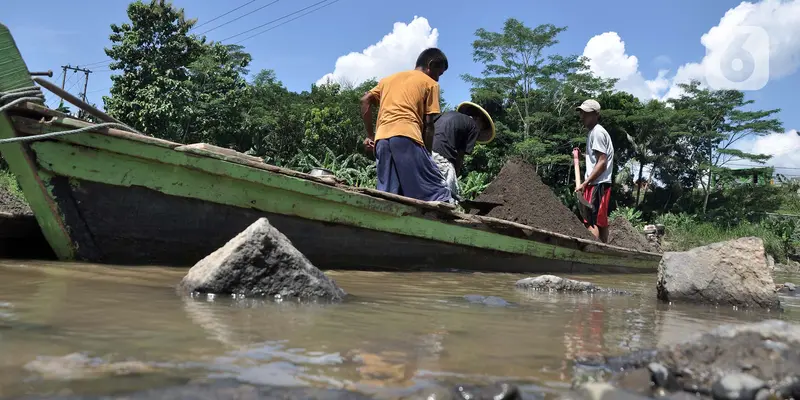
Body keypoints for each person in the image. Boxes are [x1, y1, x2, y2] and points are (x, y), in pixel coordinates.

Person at [360, 48, 452, 203]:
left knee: (389, 195)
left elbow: (365, 100)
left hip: (381, 141)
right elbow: (429, 124)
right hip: (407, 137)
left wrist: (370, 135)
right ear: (430, 65)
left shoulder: (387, 80)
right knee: (436, 191)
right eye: (439, 73)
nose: (438, 79)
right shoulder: (429, 83)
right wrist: (427, 155)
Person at [430, 101, 496, 200]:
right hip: (442, 158)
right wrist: (456, 173)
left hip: (424, 153)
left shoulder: (447, 114)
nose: (479, 130)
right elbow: (460, 155)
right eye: (482, 127)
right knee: (446, 199)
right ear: (478, 119)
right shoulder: (473, 125)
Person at [575, 99, 614, 243]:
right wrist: (583, 157)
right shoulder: (596, 132)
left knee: (592, 221)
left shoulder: (597, 132)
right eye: (582, 113)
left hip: (597, 184)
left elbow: (602, 162)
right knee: (600, 221)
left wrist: (585, 183)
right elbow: (597, 158)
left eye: (586, 113)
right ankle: (604, 249)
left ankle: (592, 251)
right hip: (601, 183)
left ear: (596, 114)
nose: (582, 116)